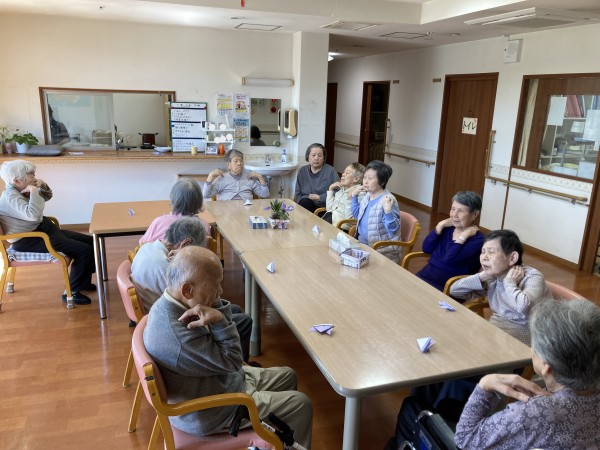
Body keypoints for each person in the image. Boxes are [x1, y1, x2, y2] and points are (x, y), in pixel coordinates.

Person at [143, 246, 313, 448]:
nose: (221, 291)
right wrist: (220, 320)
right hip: (213, 410)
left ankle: (276, 440)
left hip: (219, 384)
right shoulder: (178, 336)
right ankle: (280, 441)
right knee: (301, 404)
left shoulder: (170, 303)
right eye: (216, 285)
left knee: (289, 375)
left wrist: (216, 308)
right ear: (187, 290)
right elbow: (233, 361)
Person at [455, 298, 600, 449]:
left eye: (533, 346)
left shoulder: (535, 413)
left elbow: (465, 439)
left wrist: (486, 384)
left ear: (546, 366)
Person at [132, 217, 253, 363]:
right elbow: (189, 298)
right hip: (175, 318)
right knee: (244, 320)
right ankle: (242, 364)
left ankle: (242, 361)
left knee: (234, 309)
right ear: (185, 244)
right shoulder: (166, 269)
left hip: (156, 312)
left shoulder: (147, 248)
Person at [0, 160, 94, 305]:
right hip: (31, 239)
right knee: (84, 250)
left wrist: (42, 186)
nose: (34, 177)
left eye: (33, 174)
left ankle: (82, 282)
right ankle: (72, 292)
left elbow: (47, 197)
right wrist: (34, 191)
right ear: (17, 180)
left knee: (90, 241)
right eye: (30, 175)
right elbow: (33, 215)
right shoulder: (11, 197)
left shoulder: (20, 189)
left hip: (44, 230)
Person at [450, 229, 551, 346]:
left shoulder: (533, 277)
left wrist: (509, 282)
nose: (484, 257)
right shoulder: (493, 277)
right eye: (483, 252)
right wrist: (482, 276)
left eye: (491, 252)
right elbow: (455, 291)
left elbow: (523, 307)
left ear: (512, 258)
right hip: (495, 331)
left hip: (526, 334)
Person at [416, 191, 484, 291]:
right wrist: (439, 226)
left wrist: (462, 237)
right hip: (425, 275)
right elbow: (426, 248)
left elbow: (450, 260)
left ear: (474, 214)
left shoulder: (478, 239)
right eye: (453, 209)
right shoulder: (447, 228)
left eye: (460, 211)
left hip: (448, 287)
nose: (454, 215)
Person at [350, 160, 401, 262]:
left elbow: (393, 230)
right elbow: (357, 216)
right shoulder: (367, 195)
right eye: (365, 177)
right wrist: (354, 197)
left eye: (370, 178)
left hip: (380, 250)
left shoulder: (388, 200)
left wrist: (388, 211)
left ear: (382, 182)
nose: (365, 181)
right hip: (361, 243)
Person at [139, 177, 210, 245]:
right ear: (199, 201)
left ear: (173, 199)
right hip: (192, 254)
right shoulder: (204, 226)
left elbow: (142, 244)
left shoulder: (158, 223)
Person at [202, 149, 269, 201]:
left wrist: (260, 177)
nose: (239, 163)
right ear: (228, 165)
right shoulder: (222, 178)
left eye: (241, 161)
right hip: (226, 211)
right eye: (236, 161)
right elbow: (206, 195)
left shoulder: (249, 177)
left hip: (246, 210)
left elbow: (265, 195)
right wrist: (210, 176)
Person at [294, 143, 339, 213]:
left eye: (319, 155)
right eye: (313, 155)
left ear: (324, 158)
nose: (316, 158)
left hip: (323, 207)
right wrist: (304, 199)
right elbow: (297, 194)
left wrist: (320, 198)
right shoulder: (303, 171)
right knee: (305, 202)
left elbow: (338, 193)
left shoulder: (331, 171)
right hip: (305, 205)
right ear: (308, 157)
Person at [322, 162, 365, 227]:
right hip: (331, 221)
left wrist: (349, 198)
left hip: (341, 227)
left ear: (356, 179)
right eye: (344, 172)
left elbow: (351, 220)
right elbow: (329, 209)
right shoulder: (341, 190)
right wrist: (331, 189)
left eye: (347, 173)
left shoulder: (360, 194)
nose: (343, 174)